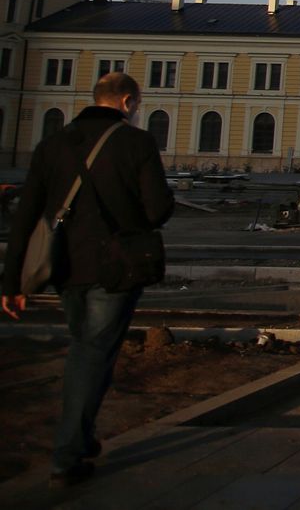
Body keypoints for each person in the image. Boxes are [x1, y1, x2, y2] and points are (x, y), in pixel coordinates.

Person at [2, 72, 174, 488]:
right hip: (115, 267)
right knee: (92, 353)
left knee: (89, 348)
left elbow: (26, 215)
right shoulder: (136, 143)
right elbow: (157, 211)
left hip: (62, 266)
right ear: (128, 102)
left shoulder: (53, 143)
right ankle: (68, 452)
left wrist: (11, 282)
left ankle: (82, 436)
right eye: (136, 105)